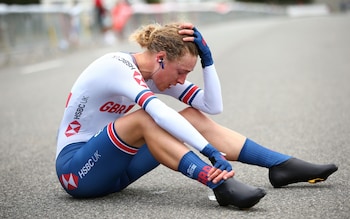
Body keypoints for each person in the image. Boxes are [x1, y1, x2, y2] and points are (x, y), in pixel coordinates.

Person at [55, 22, 338, 209]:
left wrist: (208, 59)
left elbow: (211, 106)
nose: (182, 80)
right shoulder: (116, 67)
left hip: (117, 171)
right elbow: (159, 114)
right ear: (161, 57)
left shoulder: (157, 73)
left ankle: (280, 165)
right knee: (145, 118)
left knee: (192, 115)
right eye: (181, 72)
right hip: (77, 173)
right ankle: (218, 183)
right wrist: (211, 153)